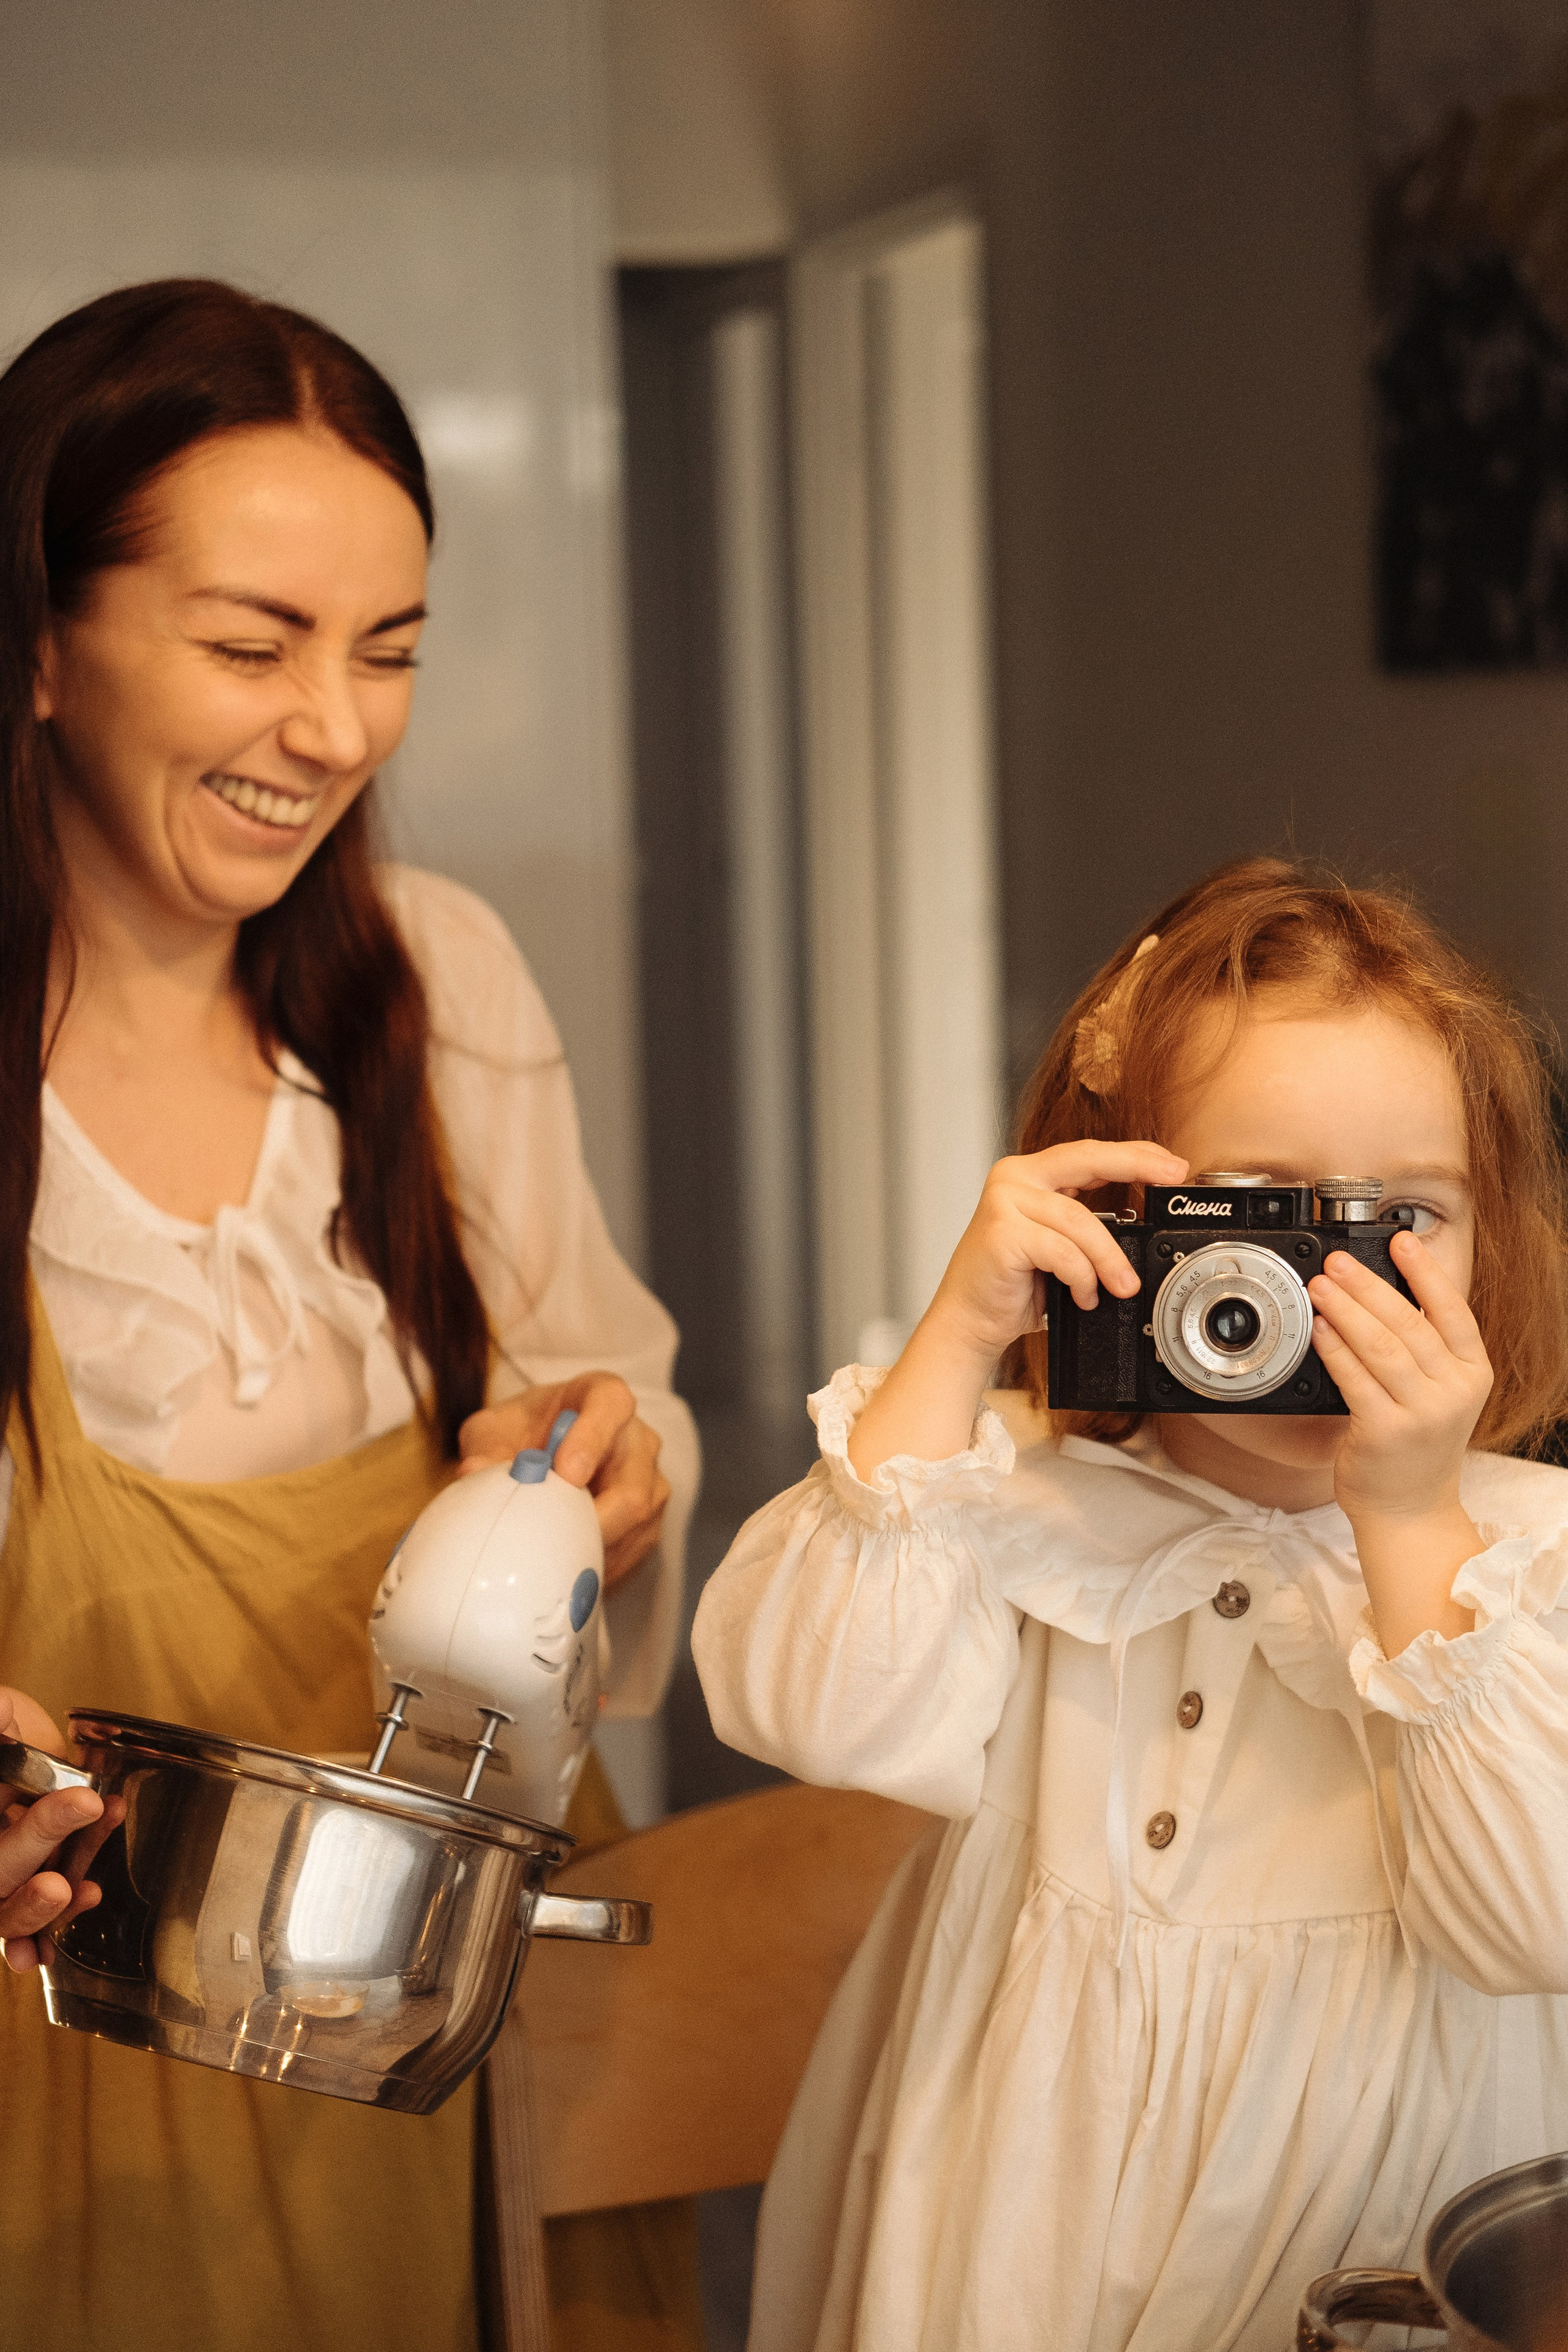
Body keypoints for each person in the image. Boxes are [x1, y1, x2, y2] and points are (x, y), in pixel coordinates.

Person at [0, 279, 701, 2352]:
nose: (335, 729)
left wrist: (614, 1477)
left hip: (443, 2037)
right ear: (40, 640)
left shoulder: (435, 981)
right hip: (61, 2099)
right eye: (253, 645)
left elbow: (614, 1385)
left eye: (388, 650)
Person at [693, 856, 1568, 2352]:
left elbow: (1532, 1921)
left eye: (1399, 1216)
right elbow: (808, 1714)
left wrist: (1410, 1520)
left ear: (1495, 1241)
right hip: (1016, 2210)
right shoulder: (997, 1500)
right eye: (1259, 1212)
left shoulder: (1518, 1561)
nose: (1328, 1291)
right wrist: (959, 1341)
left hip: (1365, 2214)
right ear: (1110, 1211)